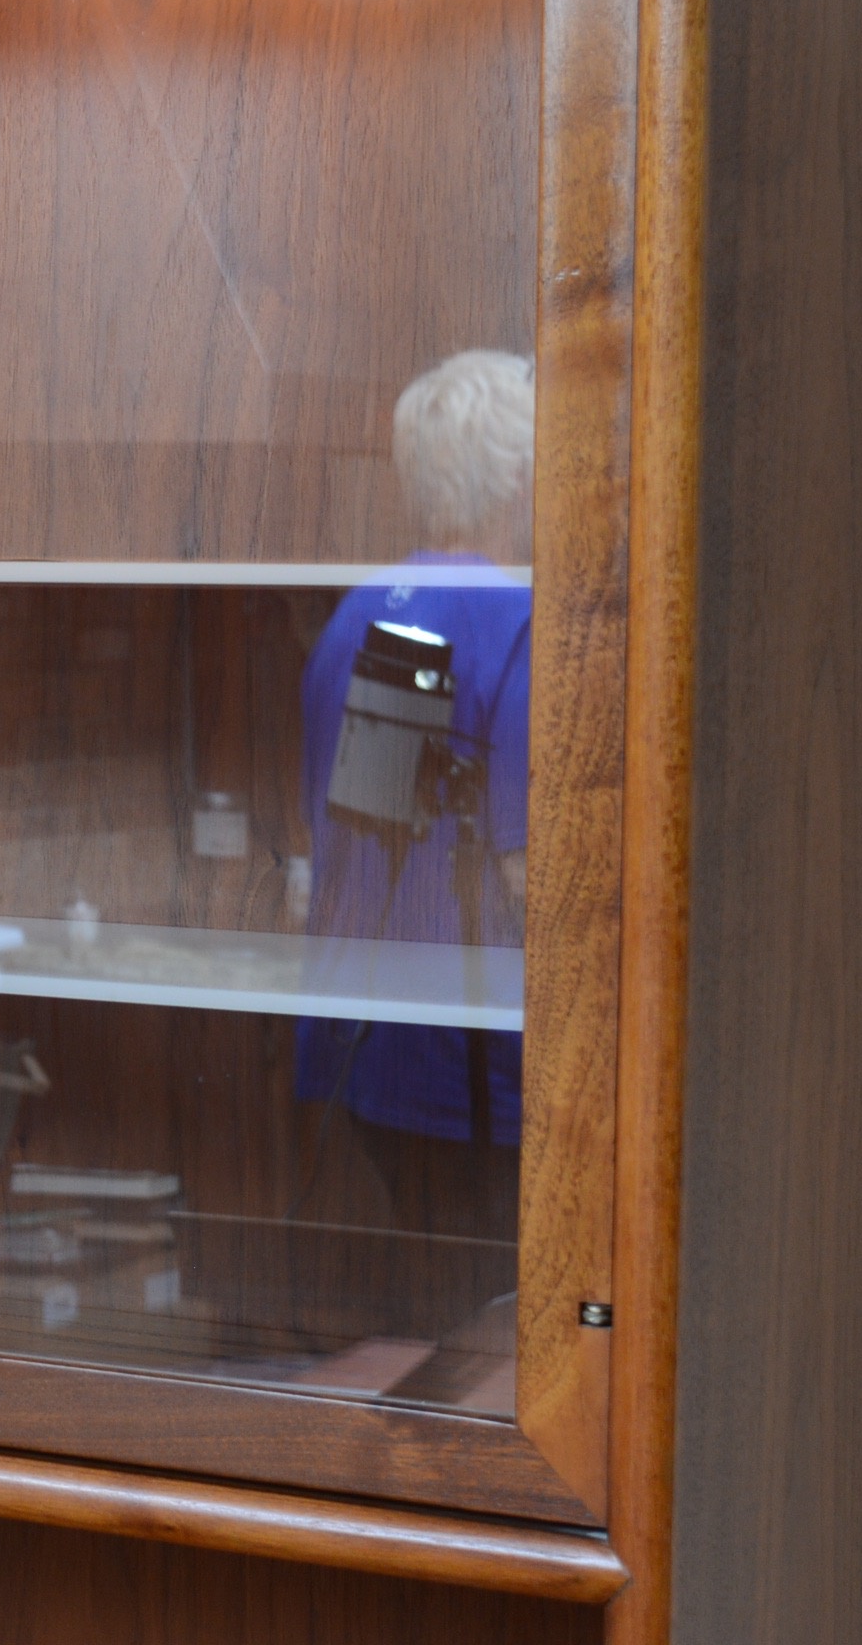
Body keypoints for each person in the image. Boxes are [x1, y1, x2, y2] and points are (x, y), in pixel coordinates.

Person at [293, 350, 533, 1242]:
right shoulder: (515, 625)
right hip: (473, 1073)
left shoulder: (360, 614)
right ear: (520, 476)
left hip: (366, 1054)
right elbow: (529, 877)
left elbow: (367, 826)